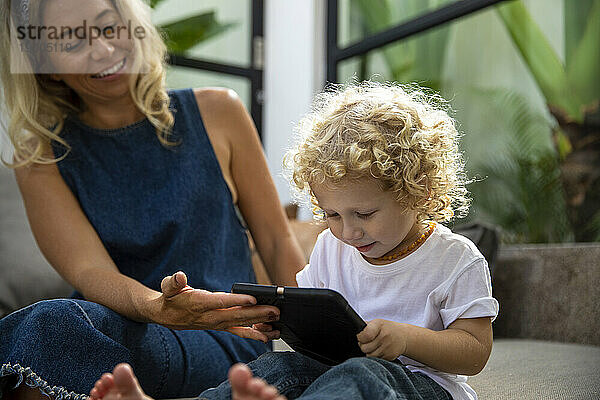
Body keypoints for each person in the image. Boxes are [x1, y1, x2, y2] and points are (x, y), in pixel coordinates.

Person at [86, 82, 500, 400]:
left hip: (419, 386)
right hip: (333, 372)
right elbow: (316, 317)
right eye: (332, 214)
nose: (348, 232)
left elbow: (475, 351)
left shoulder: (456, 259)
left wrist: (407, 340)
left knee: (364, 374)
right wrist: (280, 320)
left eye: (365, 215)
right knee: (276, 368)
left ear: (420, 192)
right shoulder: (332, 247)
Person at [0, 0, 305, 399]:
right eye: (73, 43)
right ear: (47, 67)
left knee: (48, 333)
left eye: (109, 28)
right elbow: (90, 272)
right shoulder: (41, 158)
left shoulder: (219, 111)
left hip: (220, 338)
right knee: (50, 326)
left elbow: (278, 242)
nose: (104, 50)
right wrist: (158, 307)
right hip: (111, 332)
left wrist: (324, 339)